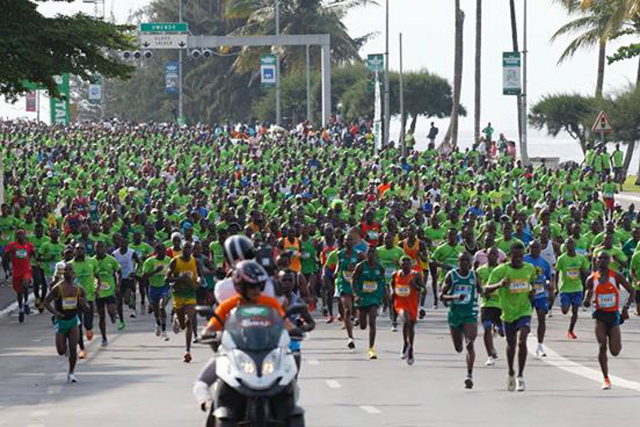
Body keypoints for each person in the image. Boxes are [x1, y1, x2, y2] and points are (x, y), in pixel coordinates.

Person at [193, 260, 299, 412]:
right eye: (251, 286)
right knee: (201, 382)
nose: (256, 290)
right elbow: (211, 327)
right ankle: (208, 404)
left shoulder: (271, 303)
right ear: (240, 287)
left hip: (268, 353)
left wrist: (295, 331)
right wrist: (207, 334)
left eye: (259, 285)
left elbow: (286, 324)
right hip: (235, 354)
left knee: (290, 375)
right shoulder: (228, 305)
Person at [486, 242, 536, 392]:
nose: (519, 259)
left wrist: (533, 290)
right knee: (511, 344)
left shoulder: (529, 268)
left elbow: (533, 282)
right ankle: (511, 372)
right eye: (515, 256)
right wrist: (500, 284)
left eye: (521, 256)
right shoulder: (501, 270)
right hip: (507, 312)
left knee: (522, 341)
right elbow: (486, 290)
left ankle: (520, 376)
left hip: (524, 310)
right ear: (509, 256)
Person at [584, 251, 636, 390]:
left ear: (610, 261)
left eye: (606, 258)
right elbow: (588, 292)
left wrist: (625, 308)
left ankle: (615, 339)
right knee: (602, 346)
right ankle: (606, 378)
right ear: (596, 260)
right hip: (599, 316)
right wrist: (587, 299)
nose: (603, 260)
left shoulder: (616, 276)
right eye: (600, 258)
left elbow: (632, 291)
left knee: (615, 351)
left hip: (613, 316)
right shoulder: (591, 279)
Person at [43, 262, 89, 383]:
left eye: (71, 270)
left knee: (73, 348)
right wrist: (56, 313)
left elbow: (87, 307)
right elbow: (46, 302)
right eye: (66, 270)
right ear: (63, 273)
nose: (68, 272)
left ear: (74, 273)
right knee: (61, 351)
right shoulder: (58, 288)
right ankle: (65, 346)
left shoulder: (79, 289)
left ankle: (71, 373)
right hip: (61, 322)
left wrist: (85, 305)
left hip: (73, 321)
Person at [440, 251, 481, 389]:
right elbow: (442, 296)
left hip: (470, 314)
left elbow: (482, 291)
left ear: (471, 263)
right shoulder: (451, 276)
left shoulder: (474, 276)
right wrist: (454, 297)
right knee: (459, 348)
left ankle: (469, 375)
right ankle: (460, 341)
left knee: (470, 344)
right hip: (455, 315)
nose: (463, 263)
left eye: (466, 261)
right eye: (461, 261)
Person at [168, 241, 203, 363]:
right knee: (182, 324)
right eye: (185, 248)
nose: (187, 250)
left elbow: (200, 276)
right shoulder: (175, 261)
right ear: (182, 249)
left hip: (190, 293)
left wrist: (198, 281)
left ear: (192, 250)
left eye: (189, 248)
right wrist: (179, 278)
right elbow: (167, 278)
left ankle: (187, 351)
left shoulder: (196, 262)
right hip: (178, 294)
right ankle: (177, 319)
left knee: (190, 320)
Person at [325, 233, 361, 349]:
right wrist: (336, 272)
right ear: (344, 242)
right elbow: (338, 266)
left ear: (354, 242)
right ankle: (350, 337)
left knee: (355, 308)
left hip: (355, 284)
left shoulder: (359, 255)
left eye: (350, 240)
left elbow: (366, 265)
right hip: (343, 283)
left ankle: (355, 318)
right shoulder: (340, 254)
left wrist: (355, 270)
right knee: (347, 309)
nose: (348, 242)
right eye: (346, 240)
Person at [351, 245, 387, 360]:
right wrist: (356, 293)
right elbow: (353, 279)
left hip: (374, 297)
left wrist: (383, 296)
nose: (371, 254)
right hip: (362, 296)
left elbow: (382, 282)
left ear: (376, 254)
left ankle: (371, 349)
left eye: (373, 252)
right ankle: (359, 317)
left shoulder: (380, 267)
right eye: (369, 252)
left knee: (372, 319)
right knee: (362, 326)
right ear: (366, 254)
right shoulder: (360, 266)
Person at [523, 240, 553, 358]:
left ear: (540, 249)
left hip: (541, 294)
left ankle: (540, 345)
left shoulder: (544, 263)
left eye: (537, 248)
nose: (534, 250)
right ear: (528, 248)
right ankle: (525, 340)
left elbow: (549, 277)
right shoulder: (524, 260)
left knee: (541, 316)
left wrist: (550, 286)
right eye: (532, 248)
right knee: (526, 319)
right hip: (526, 295)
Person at [391, 256, 423, 365]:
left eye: (408, 262)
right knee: (406, 320)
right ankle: (405, 343)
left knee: (411, 326)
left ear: (411, 264)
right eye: (403, 262)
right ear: (400, 264)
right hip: (400, 304)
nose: (405, 264)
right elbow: (393, 288)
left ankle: (411, 349)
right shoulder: (395, 275)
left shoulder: (415, 275)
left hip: (412, 304)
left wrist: (415, 285)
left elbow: (422, 289)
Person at [555, 238, 590, 339]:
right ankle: (566, 305)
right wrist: (556, 287)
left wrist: (582, 269)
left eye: (571, 243)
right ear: (565, 246)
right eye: (567, 244)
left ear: (575, 245)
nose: (569, 245)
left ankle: (571, 330)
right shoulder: (561, 259)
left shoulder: (581, 258)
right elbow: (557, 272)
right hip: (565, 288)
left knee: (575, 311)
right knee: (565, 310)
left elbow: (587, 273)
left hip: (577, 288)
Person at [476, 246, 503, 366]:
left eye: (495, 254)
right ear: (486, 256)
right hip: (487, 304)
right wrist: (482, 293)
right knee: (486, 327)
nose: (492, 256)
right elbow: (477, 286)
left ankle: (497, 329)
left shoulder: (502, 270)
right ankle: (490, 356)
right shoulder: (480, 270)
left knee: (503, 332)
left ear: (498, 256)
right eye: (490, 254)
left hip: (501, 304)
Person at [4, 229, 36, 323]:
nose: (20, 236)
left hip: (26, 270)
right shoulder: (11, 245)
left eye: (22, 235)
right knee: (19, 292)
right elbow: (5, 256)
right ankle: (21, 309)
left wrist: (36, 256)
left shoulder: (29, 245)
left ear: (25, 236)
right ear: (16, 236)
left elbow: (33, 254)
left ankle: (26, 303)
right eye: (18, 235)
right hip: (16, 272)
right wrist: (10, 251)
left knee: (25, 285)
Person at [94, 241, 121, 346]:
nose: (99, 249)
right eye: (97, 247)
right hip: (98, 292)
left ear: (105, 248)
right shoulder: (92, 261)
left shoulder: (111, 260)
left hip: (110, 290)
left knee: (111, 310)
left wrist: (118, 285)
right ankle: (104, 337)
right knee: (101, 316)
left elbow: (119, 271)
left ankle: (113, 315)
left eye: (101, 247)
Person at [143, 242, 171, 340]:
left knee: (162, 307)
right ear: (157, 251)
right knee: (156, 310)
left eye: (165, 250)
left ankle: (164, 331)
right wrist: (155, 271)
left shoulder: (168, 260)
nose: (165, 253)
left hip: (164, 287)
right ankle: (157, 324)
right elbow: (144, 276)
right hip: (153, 287)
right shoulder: (149, 262)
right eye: (162, 251)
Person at [112, 237, 141, 327]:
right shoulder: (115, 254)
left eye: (126, 243)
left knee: (126, 300)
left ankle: (131, 302)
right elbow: (112, 266)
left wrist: (135, 271)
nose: (124, 245)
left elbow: (138, 262)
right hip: (119, 279)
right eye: (122, 243)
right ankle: (121, 321)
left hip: (129, 278)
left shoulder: (131, 252)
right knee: (119, 301)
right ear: (119, 243)